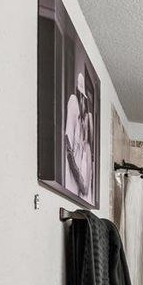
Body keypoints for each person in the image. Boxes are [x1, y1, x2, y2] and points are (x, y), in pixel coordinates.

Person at [64, 71, 94, 200]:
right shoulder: (73, 103)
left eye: (83, 99)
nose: (83, 103)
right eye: (82, 97)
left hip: (77, 190)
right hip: (71, 186)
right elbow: (68, 144)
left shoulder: (86, 147)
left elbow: (85, 187)